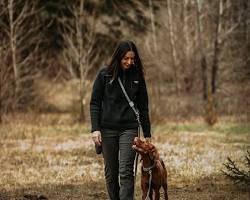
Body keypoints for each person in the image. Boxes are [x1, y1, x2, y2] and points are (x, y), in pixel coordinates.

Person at [90, 40, 151, 200]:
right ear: (118, 57)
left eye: (132, 59)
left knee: (125, 171)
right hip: (107, 129)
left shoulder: (137, 76)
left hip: (129, 128)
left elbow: (143, 106)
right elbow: (95, 103)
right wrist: (95, 129)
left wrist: (147, 132)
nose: (129, 62)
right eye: (126, 58)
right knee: (111, 174)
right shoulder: (104, 75)